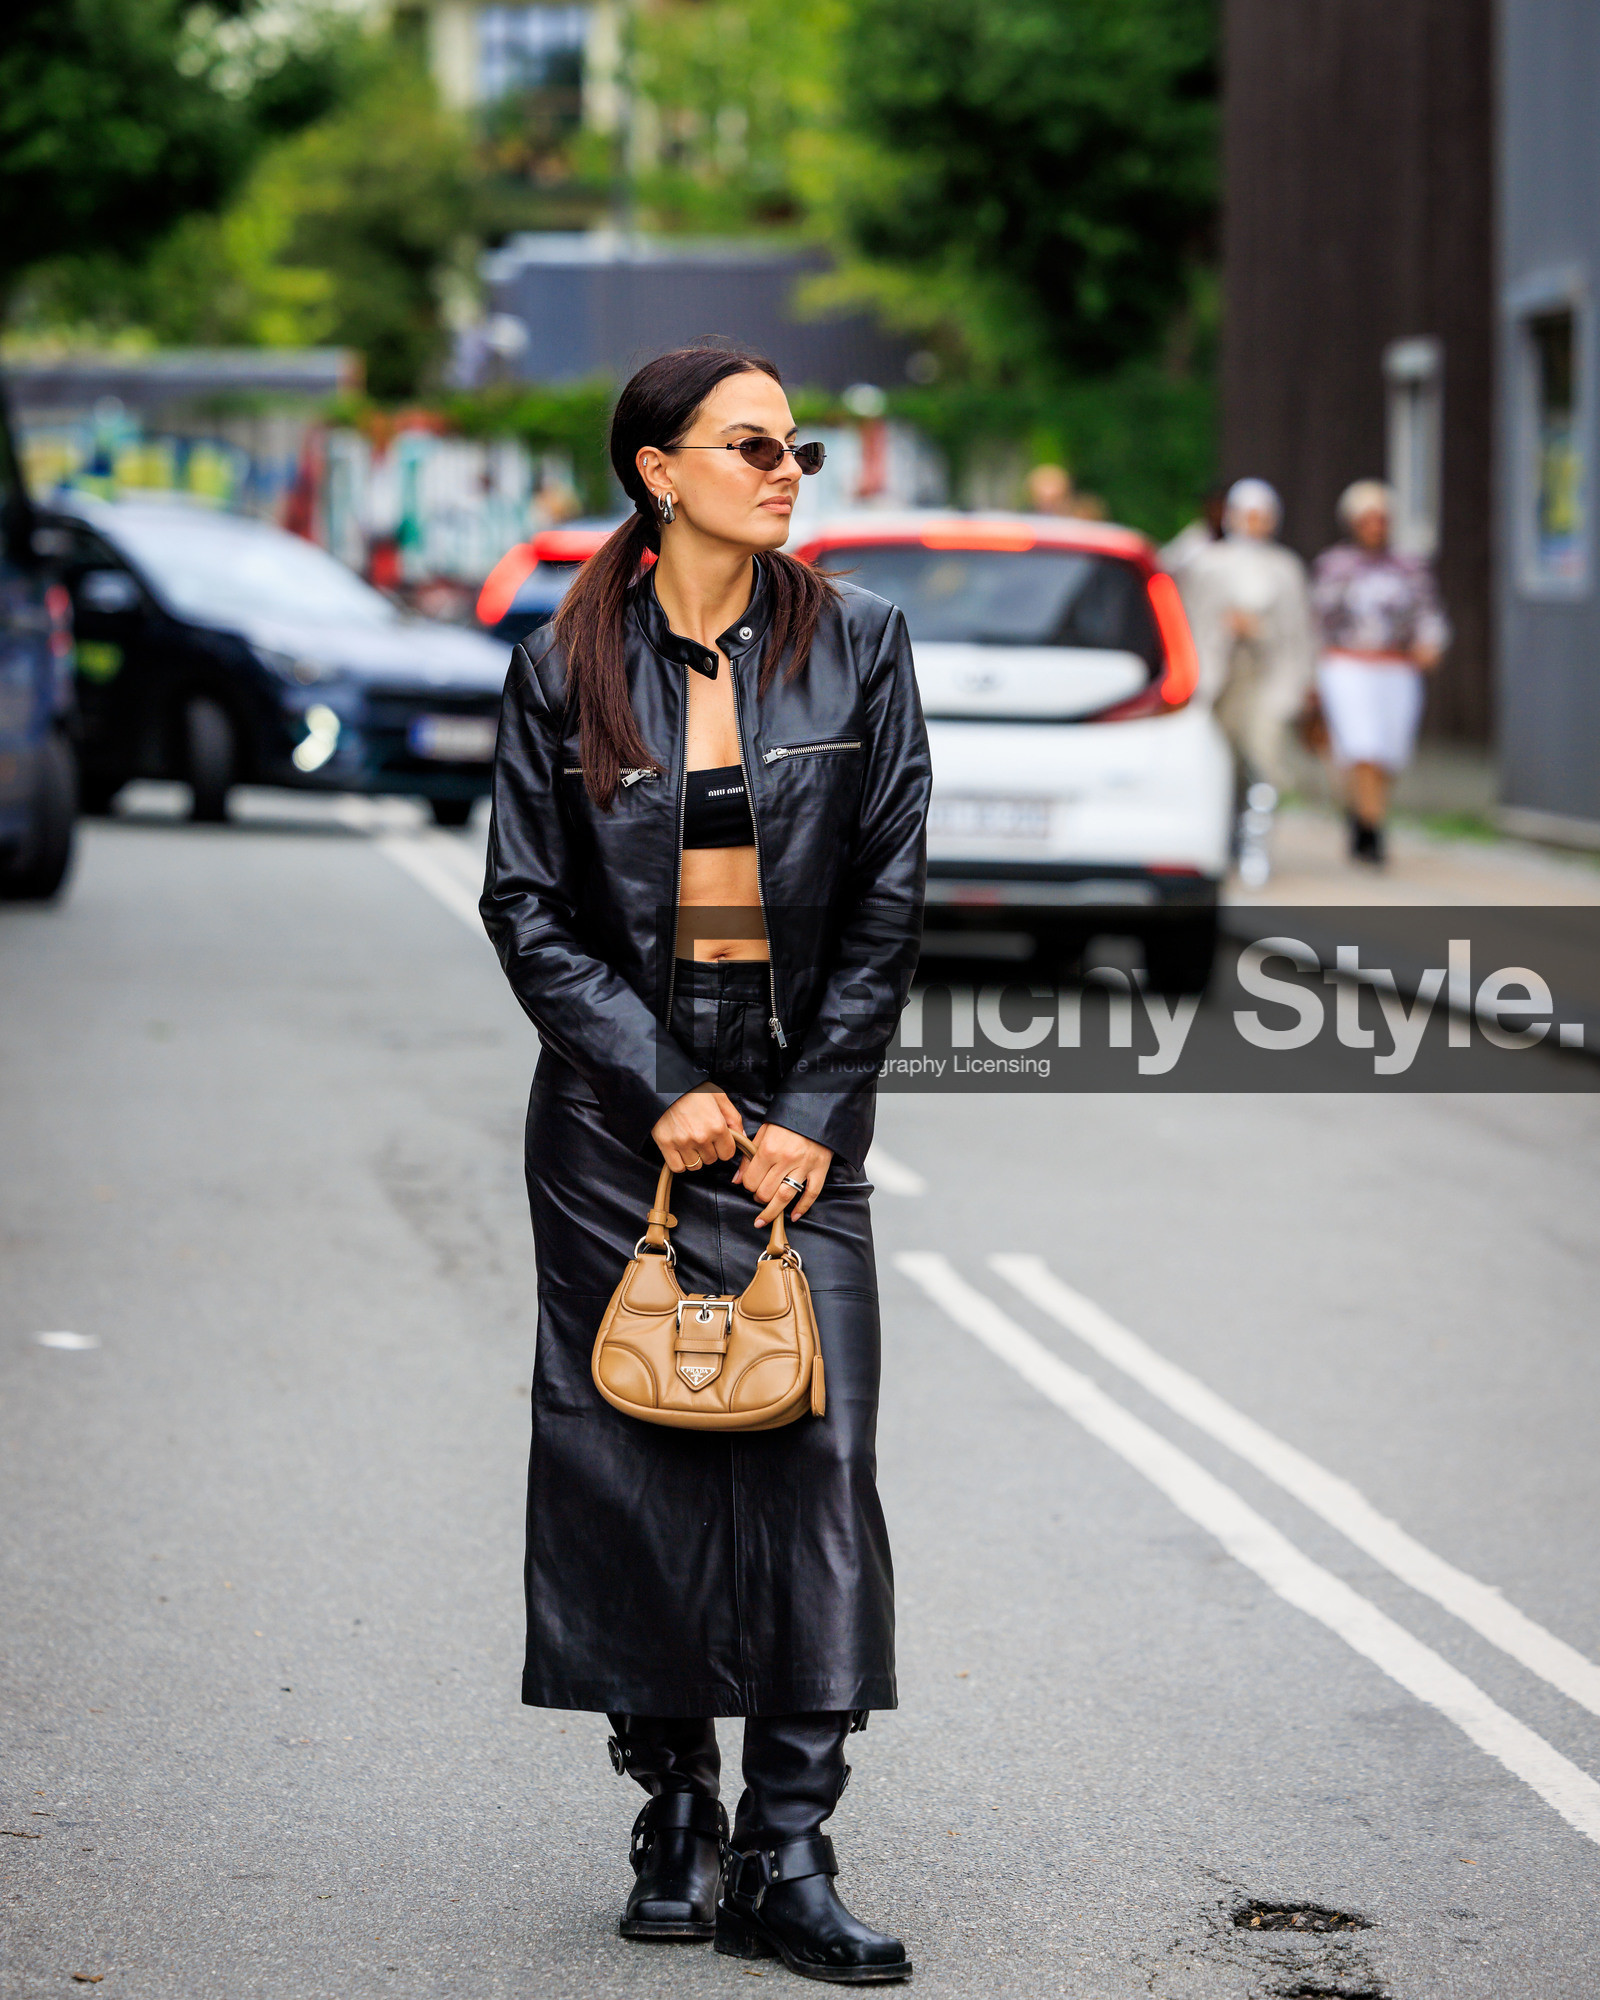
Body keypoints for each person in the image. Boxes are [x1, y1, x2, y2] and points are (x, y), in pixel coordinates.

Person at [480, 345, 929, 1984]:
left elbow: (886, 899)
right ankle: (674, 1805)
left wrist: (812, 1111)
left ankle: (787, 1851)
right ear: (659, 471)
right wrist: (658, 1081)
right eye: (751, 445)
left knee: (819, 1460)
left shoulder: (859, 644)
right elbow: (528, 905)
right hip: (621, 1129)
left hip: (803, 1114)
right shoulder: (564, 665)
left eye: (797, 446)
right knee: (637, 1461)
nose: (786, 469)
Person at [1311, 479, 1449, 865]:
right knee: (1362, 746)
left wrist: (1430, 645)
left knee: (1389, 752)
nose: (1375, 527)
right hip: (1348, 665)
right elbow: (1317, 619)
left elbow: (1429, 614)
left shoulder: (1409, 567)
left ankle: (1363, 813)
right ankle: (1373, 829)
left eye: (1381, 519)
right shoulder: (1335, 566)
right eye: (1367, 519)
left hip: (1396, 667)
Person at [1157, 480, 1229, 580]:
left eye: (1220, 508)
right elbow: (1165, 563)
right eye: (1213, 507)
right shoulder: (1194, 537)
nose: (1217, 513)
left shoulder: (1239, 539)